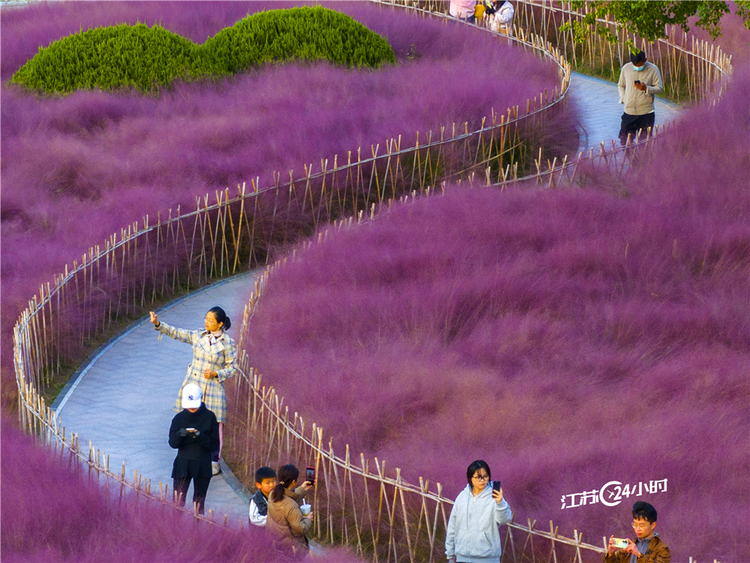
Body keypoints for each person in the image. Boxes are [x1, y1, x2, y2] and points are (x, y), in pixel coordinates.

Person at [150, 306, 237, 476]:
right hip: (194, 385)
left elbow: (232, 367)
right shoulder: (198, 335)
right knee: (189, 419)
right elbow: (178, 333)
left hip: (213, 387)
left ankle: (213, 460)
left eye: (210, 320)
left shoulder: (228, 343)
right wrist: (158, 324)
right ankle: (187, 452)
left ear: (220, 324)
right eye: (205, 318)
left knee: (214, 424)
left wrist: (216, 373)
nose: (206, 322)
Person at [445, 460, 512, 563]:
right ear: (470, 478)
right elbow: (452, 526)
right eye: (478, 477)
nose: (482, 480)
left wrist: (500, 503)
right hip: (462, 557)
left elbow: (505, 519)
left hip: (488, 558)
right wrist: (450, 555)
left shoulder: (494, 497)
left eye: (485, 476)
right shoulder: (462, 497)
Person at [168, 383, 219, 515]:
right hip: (183, 463)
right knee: (178, 501)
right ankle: (175, 528)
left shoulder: (210, 417)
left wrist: (199, 436)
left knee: (199, 502)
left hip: (202, 463)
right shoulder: (179, 418)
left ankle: (196, 530)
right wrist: (181, 434)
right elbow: (172, 443)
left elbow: (214, 445)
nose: (191, 408)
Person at [266, 464, 314, 561]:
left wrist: (302, 489)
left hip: (277, 542)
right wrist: (308, 520)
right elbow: (299, 529)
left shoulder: (273, 494)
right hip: (291, 548)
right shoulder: (291, 506)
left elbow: (287, 497)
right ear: (293, 481)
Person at [617, 49, 663, 145]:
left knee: (645, 142)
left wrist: (646, 89)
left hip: (646, 113)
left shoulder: (653, 69)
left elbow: (660, 88)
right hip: (629, 111)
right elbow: (620, 85)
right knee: (625, 140)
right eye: (635, 65)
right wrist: (623, 97)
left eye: (639, 65)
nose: (637, 67)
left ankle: (643, 159)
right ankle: (631, 158)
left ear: (645, 59)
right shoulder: (626, 68)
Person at [605, 501, 671, 563]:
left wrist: (639, 554)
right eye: (635, 524)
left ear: (653, 525)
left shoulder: (662, 549)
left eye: (641, 525)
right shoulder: (630, 545)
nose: (637, 529)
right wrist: (611, 554)